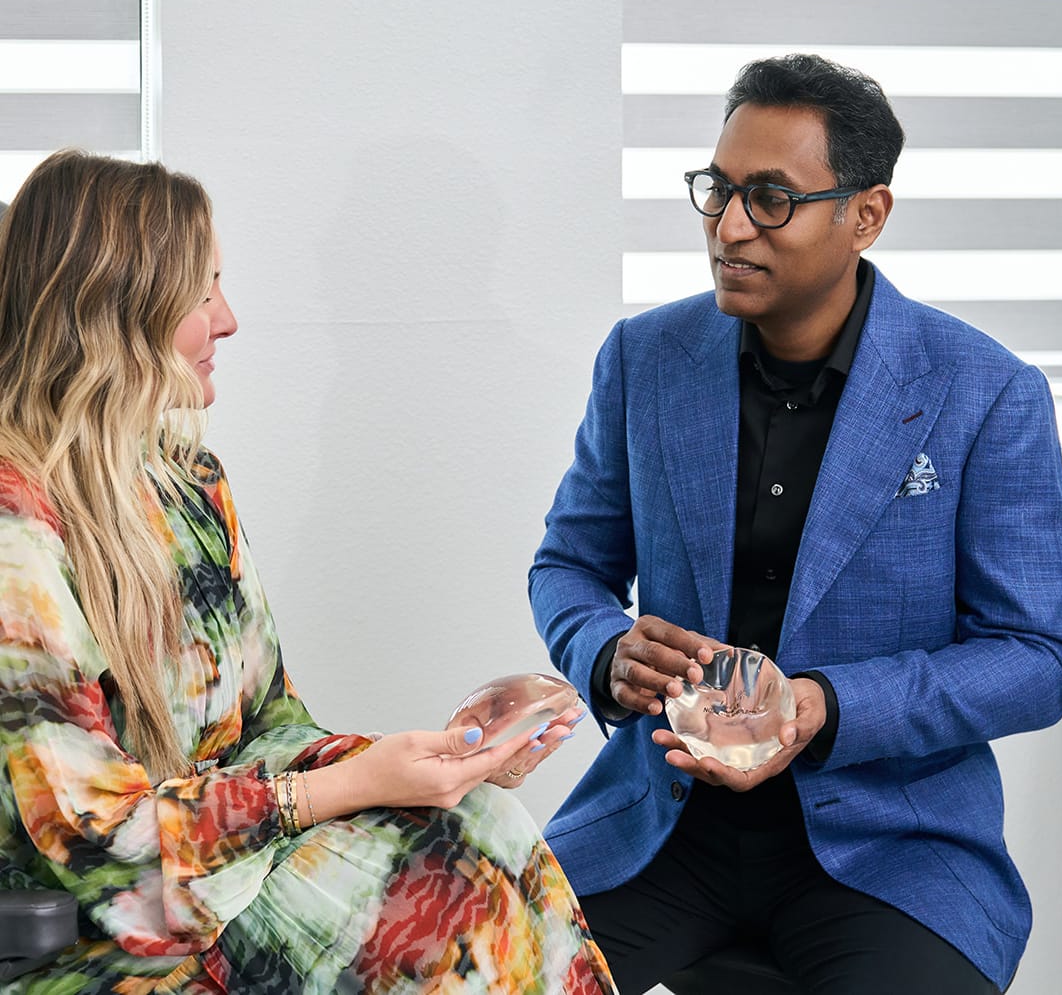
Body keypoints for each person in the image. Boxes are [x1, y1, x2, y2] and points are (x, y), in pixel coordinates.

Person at [0, 151, 615, 994]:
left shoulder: (187, 483)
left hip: (227, 872)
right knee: (444, 919)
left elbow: (268, 726)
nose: (229, 320)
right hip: (104, 930)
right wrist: (353, 784)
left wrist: (437, 762)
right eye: (202, 290)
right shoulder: (15, 529)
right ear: (120, 309)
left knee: (485, 821)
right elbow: (97, 846)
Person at [529, 54, 1062, 994]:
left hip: (889, 843)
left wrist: (824, 704)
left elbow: (1036, 653)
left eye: (771, 198)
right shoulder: (645, 358)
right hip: (663, 821)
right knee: (459, 973)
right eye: (719, 190)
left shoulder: (986, 392)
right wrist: (606, 654)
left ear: (866, 214)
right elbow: (569, 564)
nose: (729, 226)